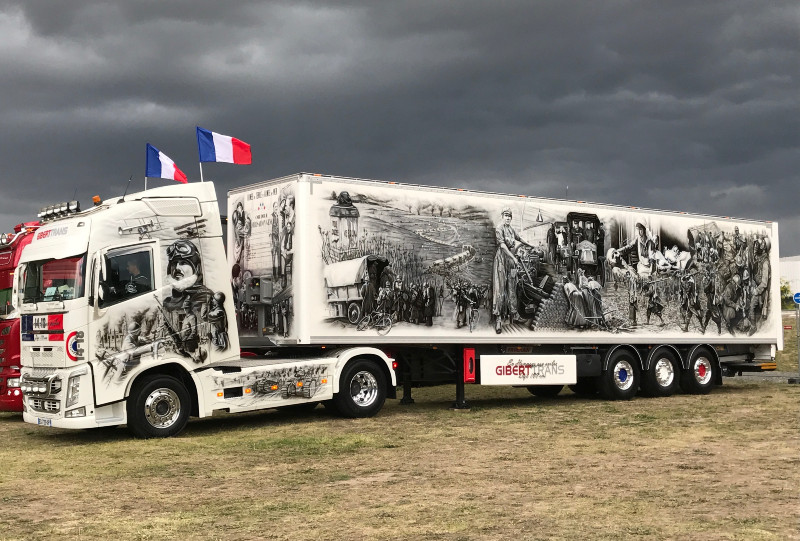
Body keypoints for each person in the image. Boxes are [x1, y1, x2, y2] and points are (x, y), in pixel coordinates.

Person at [491, 208, 532, 333]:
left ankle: (514, 314)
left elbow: (519, 238)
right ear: (502, 216)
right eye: (506, 216)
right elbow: (502, 246)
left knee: (512, 288)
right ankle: (498, 320)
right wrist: (513, 257)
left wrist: (529, 245)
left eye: (510, 216)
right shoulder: (499, 228)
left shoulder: (511, 229)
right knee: (500, 289)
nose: (508, 218)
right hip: (502, 260)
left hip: (511, 261)